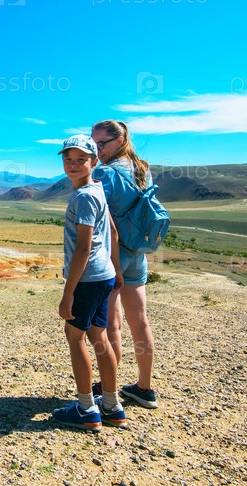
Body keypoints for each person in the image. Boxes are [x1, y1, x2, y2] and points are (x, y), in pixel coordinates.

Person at [52, 135, 127, 431]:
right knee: (100, 337)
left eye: (80, 160)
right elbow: (113, 233)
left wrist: (68, 293)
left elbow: (83, 248)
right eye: (68, 160)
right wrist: (116, 270)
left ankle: (85, 408)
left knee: (75, 337)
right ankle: (112, 405)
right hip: (103, 276)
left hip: (87, 278)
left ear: (94, 162)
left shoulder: (83, 197)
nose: (73, 165)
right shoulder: (98, 189)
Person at [90, 120, 158, 409]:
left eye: (101, 143)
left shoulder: (104, 173)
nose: (97, 150)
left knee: (112, 325)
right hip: (137, 252)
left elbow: (98, 218)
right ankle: (145, 388)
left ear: (119, 141)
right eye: (93, 144)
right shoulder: (142, 169)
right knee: (140, 321)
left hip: (113, 256)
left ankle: (109, 390)